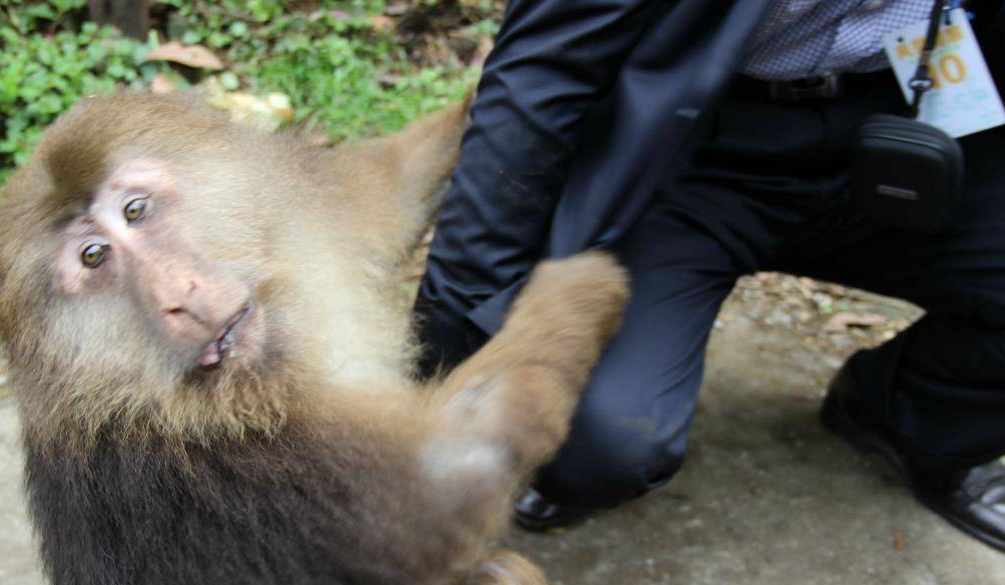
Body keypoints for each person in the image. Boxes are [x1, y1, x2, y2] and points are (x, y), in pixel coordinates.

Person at [412, 0, 1005, 552]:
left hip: (915, 118)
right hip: (690, 144)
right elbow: (540, 79)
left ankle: (900, 412)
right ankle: (566, 462)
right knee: (597, 442)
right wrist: (451, 363)